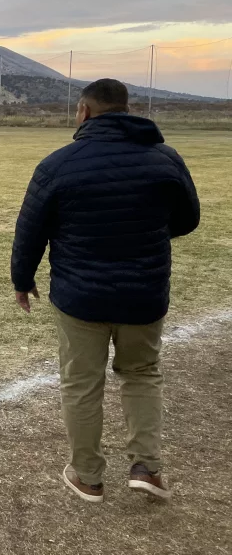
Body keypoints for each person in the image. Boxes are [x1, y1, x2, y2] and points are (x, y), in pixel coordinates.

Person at [11, 79, 200, 504]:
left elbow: (30, 230)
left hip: (81, 295)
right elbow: (188, 219)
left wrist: (23, 280)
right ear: (127, 109)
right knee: (141, 373)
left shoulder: (59, 164)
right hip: (144, 292)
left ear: (84, 112)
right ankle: (147, 467)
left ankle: (88, 476)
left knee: (81, 382)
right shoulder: (165, 159)